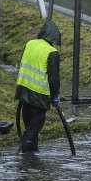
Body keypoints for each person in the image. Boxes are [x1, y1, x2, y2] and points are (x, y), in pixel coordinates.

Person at [15, 20, 61, 153]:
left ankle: (32, 151)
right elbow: (54, 79)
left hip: (23, 90)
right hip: (39, 95)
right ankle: (26, 154)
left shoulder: (30, 44)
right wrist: (55, 96)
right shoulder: (52, 52)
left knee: (29, 124)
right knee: (34, 127)